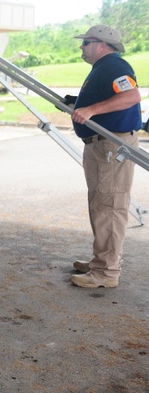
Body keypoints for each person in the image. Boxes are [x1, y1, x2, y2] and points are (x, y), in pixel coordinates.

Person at [68, 25, 142, 289]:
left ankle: (106, 272)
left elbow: (132, 96)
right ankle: (102, 260)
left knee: (109, 206)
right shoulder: (103, 67)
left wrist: (91, 109)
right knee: (101, 203)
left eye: (86, 42)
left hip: (111, 145)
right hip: (102, 145)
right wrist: (78, 104)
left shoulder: (113, 65)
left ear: (101, 44)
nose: (82, 47)